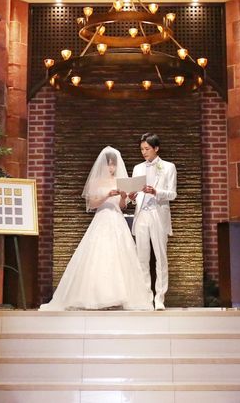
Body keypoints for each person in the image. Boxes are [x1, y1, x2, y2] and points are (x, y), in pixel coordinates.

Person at [40, 146, 153, 311]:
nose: (112, 168)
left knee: (119, 257)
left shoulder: (119, 181)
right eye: (109, 164)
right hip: (102, 218)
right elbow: (92, 204)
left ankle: (119, 297)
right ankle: (98, 296)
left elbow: (122, 206)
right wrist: (107, 195)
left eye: (114, 164)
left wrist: (123, 197)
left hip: (117, 219)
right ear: (103, 164)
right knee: (99, 255)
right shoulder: (96, 182)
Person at [129, 133, 177, 311]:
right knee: (142, 258)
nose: (144, 152)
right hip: (142, 214)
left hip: (158, 213)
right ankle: (146, 297)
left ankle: (160, 297)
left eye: (147, 149)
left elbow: (172, 194)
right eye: (142, 149)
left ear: (156, 148)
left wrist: (156, 191)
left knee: (160, 257)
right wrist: (132, 197)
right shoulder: (137, 168)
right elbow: (135, 194)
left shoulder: (168, 167)